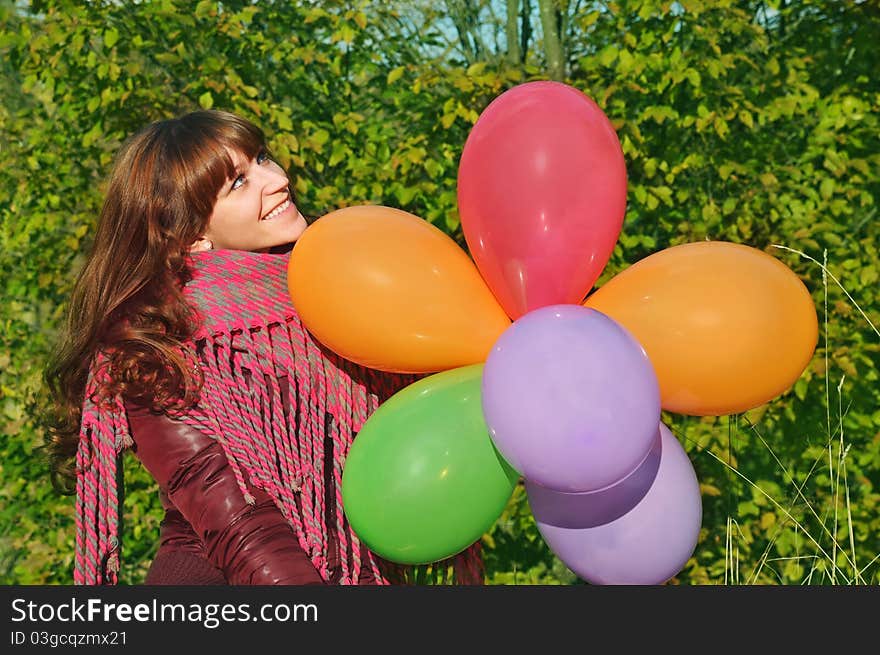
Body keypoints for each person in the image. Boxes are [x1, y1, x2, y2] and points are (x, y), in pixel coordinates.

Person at [44, 109, 484, 585]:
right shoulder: (158, 345)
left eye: (262, 159)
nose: (276, 181)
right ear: (192, 237)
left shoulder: (331, 291)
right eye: (238, 183)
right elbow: (243, 526)